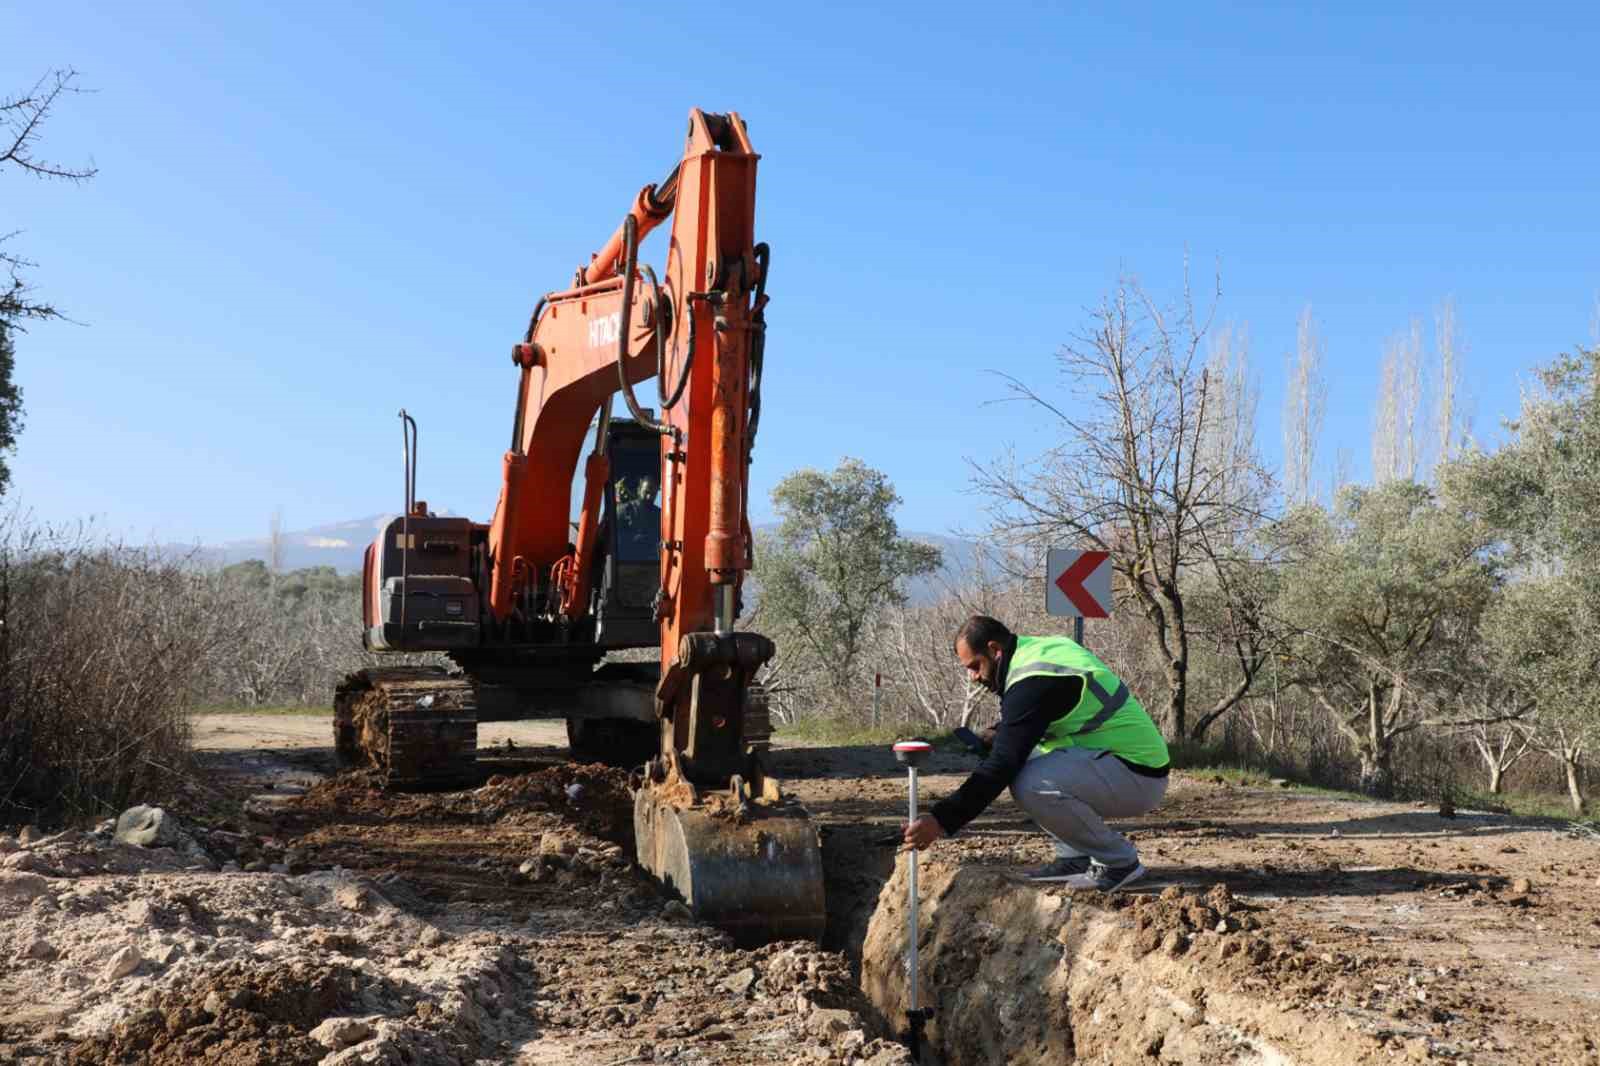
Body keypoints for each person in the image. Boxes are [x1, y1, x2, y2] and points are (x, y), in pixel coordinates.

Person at [902, 614, 1170, 891]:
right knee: (1026, 758)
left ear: (995, 650)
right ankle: (1074, 857)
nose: (973, 677)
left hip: (1138, 775)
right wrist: (1002, 731)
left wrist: (941, 820)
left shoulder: (1031, 682)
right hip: (1121, 761)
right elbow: (1048, 710)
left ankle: (1119, 863)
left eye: (975, 666)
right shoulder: (1037, 652)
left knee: (1030, 783)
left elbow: (1002, 765)